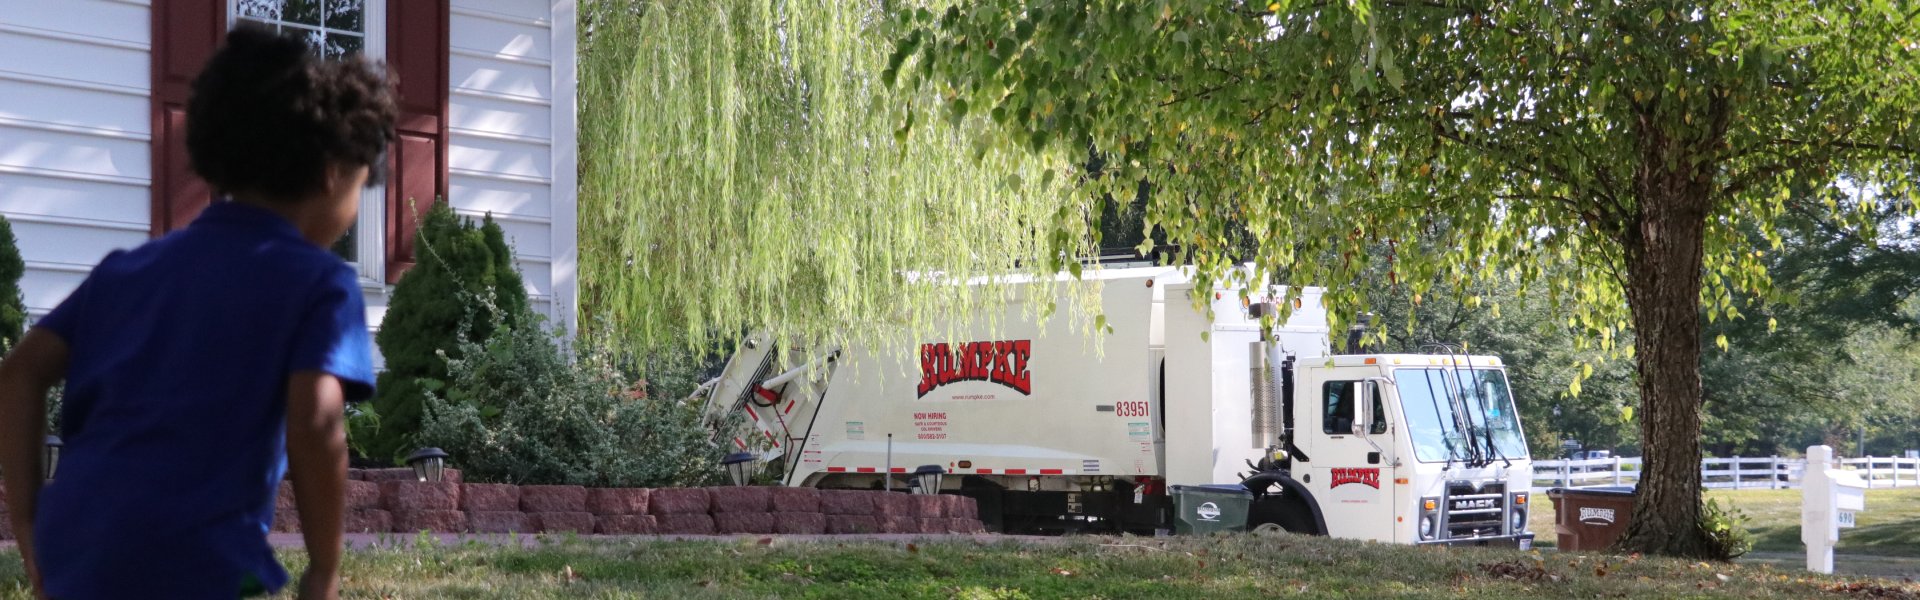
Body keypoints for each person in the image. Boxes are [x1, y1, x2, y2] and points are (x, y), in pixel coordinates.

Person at [0, 24, 394, 599]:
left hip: (78, 545)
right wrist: (325, 569)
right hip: (195, 558)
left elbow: (18, 374)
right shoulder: (320, 282)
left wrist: (31, 525)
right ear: (333, 173)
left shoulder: (126, 271)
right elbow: (315, 421)